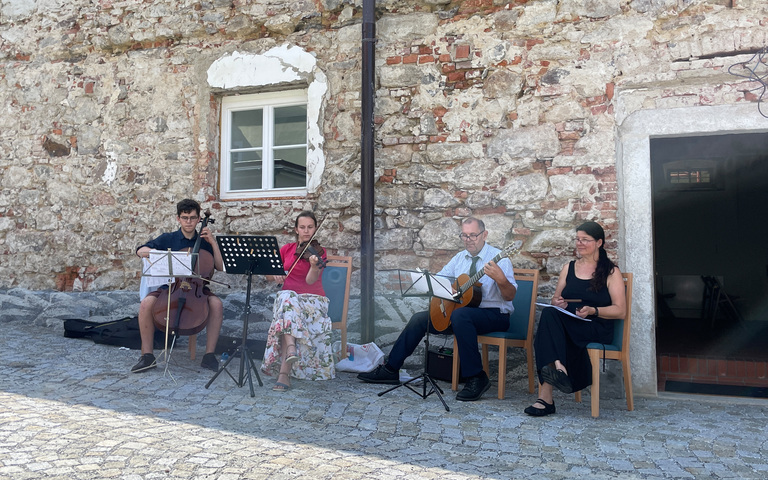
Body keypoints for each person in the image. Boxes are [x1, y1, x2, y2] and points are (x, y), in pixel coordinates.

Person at [358, 217, 517, 402]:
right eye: (464, 235)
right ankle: (390, 369)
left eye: (473, 235)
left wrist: (501, 279)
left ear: (485, 235)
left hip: (495, 315)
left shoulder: (500, 259)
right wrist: (447, 289)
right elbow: (438, 280)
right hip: (462, 315)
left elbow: (509, 296)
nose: (468, 240)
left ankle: (476, 377)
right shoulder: (459, 258)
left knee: (460, 315)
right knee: (419, 319)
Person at [524, 221, 626, 416]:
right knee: (549, 313)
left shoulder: (611, 271)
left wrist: (593, 310)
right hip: (569, 323)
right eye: (577, 239)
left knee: (549, 326)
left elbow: (620, 311)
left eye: (585, 240)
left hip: (595, 326)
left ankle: (547, 394)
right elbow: (556, 298)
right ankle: (557, 368)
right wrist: (558, 302)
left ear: (599, 242)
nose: (579, 243)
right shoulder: (568, 267)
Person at [132, 199, 225, 373]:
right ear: (178, 219)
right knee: (145, 304)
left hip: (198, 289)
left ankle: (209, 356)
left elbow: (220, 266)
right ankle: (147, 356)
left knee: (217, 305)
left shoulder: (205, 241)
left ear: (199, 219)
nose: (188, 222)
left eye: (192, 218)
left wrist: (213, 242)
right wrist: (150, 252)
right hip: (171, 287)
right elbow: (140, 250)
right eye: (185, 218)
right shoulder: (169, 238)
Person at [261, 211, 336, 391]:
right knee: (288, 297)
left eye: (310, 227)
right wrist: (276, 274)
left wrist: (313, 266)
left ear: (315, 228)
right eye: (302, 227)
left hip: (313, 300)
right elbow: (268, 276)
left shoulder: (319, 252)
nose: (306, 231)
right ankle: (290, 354)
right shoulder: (286, 249)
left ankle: (284, 372)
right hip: (289, 301)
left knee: (287, 300)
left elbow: (311, 281)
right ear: (296, 229)